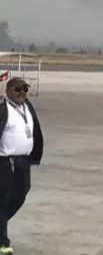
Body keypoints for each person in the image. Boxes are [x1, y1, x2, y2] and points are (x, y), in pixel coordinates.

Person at [0, 78, 44, 255]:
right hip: (5, 161)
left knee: (20, 196)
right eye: (18, 89)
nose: (22, 92)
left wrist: (35, 156)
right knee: (3, 201)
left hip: (23, 161)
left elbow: (36, 131)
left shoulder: (28, 107)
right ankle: (3, 243)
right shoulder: (3, 109)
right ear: (8, 91)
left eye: (25, 89)